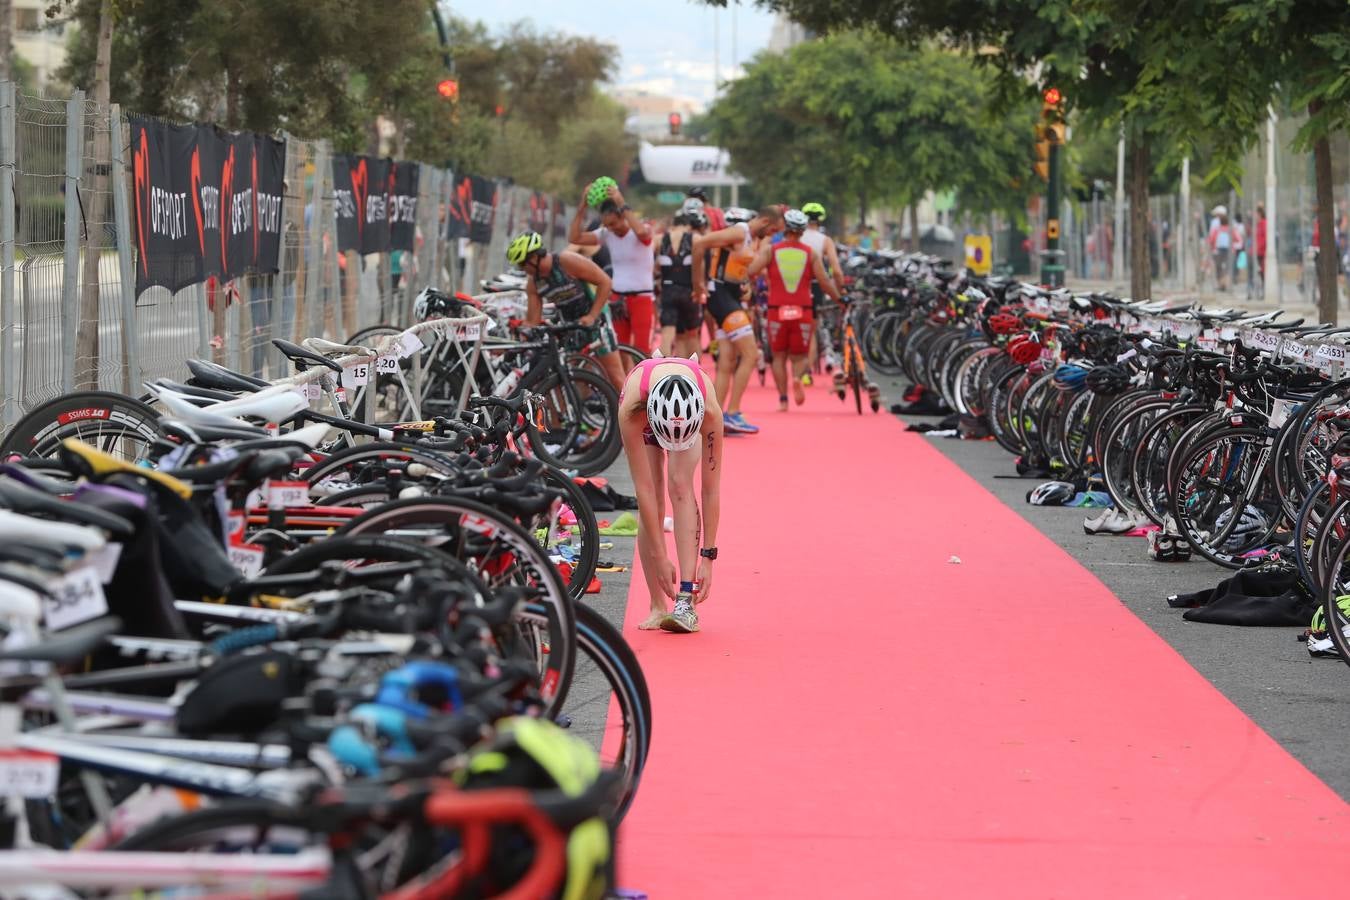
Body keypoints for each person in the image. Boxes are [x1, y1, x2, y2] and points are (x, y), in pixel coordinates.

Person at [618, 352, 723, 633]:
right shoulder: (632, 409)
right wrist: (660, 557)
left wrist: (708, 559)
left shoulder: (709, 410)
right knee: (654, 492)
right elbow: (645, 491)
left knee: (680, 484)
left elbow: (710, 490)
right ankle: (656, 604)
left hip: (688, 407)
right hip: (647, 402)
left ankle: (685, 600)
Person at [692, 206, 784, 435]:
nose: (772, 235)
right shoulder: (739, 232)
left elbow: (736, 267)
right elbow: (699, 244)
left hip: (729, 297)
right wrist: (698, 284)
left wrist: (744, 285)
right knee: (751, 354)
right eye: (772, 230)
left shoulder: (750, 238)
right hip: (721, 299)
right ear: (763, 221)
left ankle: (715, 415)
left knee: (727, 361)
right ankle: (732, 412)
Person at [746, 209, 842, 411]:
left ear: (787, 229)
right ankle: (798, 378)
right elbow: (824, 281)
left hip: (776, 309)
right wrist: (839, 299)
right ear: (802, 230)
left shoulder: (771, 250)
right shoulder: (811, 253)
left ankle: (782, 400)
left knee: (778, 356)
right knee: (800, 355)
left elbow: (751, 271)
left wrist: (753, 283)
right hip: (803, 308)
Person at [507, 230, 626, 390]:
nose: (521, 269)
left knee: (616, 378)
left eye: (522, 264)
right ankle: (582, 414)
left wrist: (592, 315)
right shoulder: (534, 283)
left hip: (596, 321)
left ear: (534, 258)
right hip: (569, 327)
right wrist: (518, 334)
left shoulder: (566, 261)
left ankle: (634, 413)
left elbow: (605, 282)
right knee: (566, 384)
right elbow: (532, 322)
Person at [568, 184, 655, 360]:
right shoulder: (607, 234)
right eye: (607, 225)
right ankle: (625, 386)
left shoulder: (641, 229)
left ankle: (644, 385)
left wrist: (621, 201)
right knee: (620, 349)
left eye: (613, 223)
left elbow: (642, 234)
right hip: (618, 299)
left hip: (642, 298)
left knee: (641, 351)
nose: (611, 228)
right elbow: (575, 238)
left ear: (623, 215)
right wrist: (582, 206)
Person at [656, 208, 707, 359]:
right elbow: (699, 266)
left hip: (668, 290)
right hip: (688, 290)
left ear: (673, 224)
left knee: (669, 333)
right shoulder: (695, 238)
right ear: (688, 225)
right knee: (692, 334)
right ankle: (694, 371)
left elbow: (655, 266)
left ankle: (663, 369)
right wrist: (699, 288)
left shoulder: (660, 239)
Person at [799, 202, 842, 381]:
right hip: (816, 286)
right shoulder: (825, 240)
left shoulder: (796, 238)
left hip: (793, 287)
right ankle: (806, 372)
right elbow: (836, 271)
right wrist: (839, 293)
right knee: (811, 330)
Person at [1207, 210, 1234, 291]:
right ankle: (1226, 283)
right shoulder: (1230, 230)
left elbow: (1211, 240)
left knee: (1219, 268)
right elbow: (1237, 238)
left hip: (1218, 251)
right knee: (1227, 268)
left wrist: (1210, 247)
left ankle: (1220, 284)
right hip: (1229, 251)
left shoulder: (1217, 229)